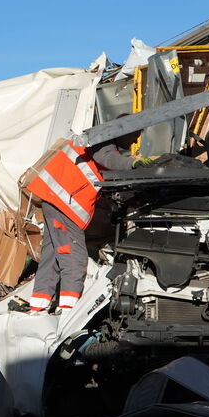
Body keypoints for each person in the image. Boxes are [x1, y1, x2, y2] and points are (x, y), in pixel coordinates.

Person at [26, 129, 152, 313]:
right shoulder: (103, 140)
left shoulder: (99, 143)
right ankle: (68, 310)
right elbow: (109, 159)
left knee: (52, 256)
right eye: (135, 133)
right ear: (123, 130)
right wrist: (133, 163)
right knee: (74, 257)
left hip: (55, 199)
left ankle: (38, 306)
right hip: (63, 202)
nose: (137, 139)